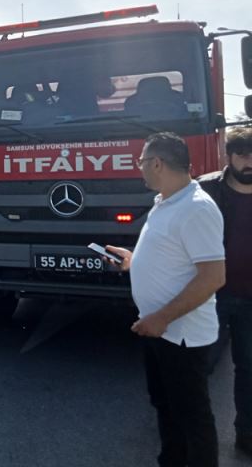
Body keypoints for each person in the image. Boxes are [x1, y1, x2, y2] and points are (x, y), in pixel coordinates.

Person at [106, 132, 225, 467]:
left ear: (156, 163)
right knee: (166, 406)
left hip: (180, 334)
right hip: (161, 331)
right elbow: (171, 259)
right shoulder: (166, 202)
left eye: (142, 161)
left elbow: (213, 277)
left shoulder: (196, 208)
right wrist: (130, 262)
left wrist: (162, 318)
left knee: (192, 416)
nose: (139, 167)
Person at [198, 126, 252, 457]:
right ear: (229, 157)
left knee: (249, 369)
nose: (251, 161)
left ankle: (246, 433)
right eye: (243, 154)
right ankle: (191, 432)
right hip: (210, 296)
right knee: (197, 366)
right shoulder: (205, 190)